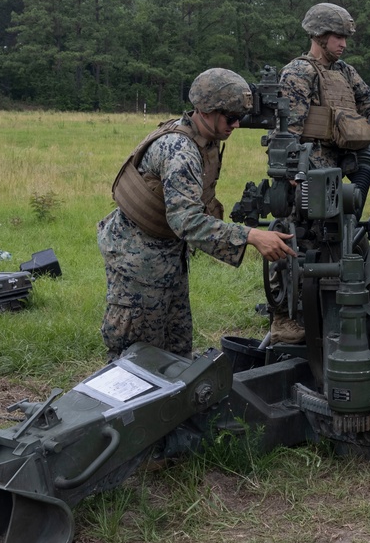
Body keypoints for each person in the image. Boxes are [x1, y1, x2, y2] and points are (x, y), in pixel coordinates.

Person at [98, 67, 295, 359]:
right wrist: (251, 236)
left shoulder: (205, 140)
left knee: (175, 353)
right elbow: (186, 221)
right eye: (230, 118)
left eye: (240, 117)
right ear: (205, 111)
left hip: (167, 255)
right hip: (139, 262)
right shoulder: (180, 151)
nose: (236, 125)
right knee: (136, 358)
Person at [272, 3, 370, 343]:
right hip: (311, 166)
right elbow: (288, 128)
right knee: (295, 238)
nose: (343, 44)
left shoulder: (346, 72)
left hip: (339, 166)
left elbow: (368, 101)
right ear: (319, 36)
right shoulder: (298, 72)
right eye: (337, 37)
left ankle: (338, 311)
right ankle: (283, 318)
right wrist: (293, 170)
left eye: (345, 38)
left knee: (343, 236)